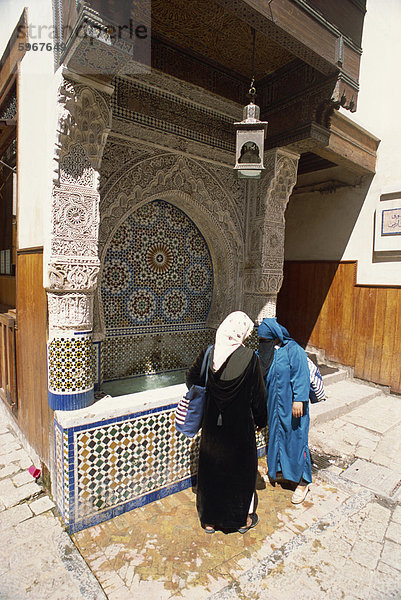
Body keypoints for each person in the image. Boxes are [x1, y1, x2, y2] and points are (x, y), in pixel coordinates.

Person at [186, 311, 267, 533]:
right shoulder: (250, 358)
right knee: (241, 470)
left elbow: (191, 379)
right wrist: (261, 420)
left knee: (212, 468)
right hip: (240, 427)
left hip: (213, 426)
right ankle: (242, 521)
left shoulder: (209, 353)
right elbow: (258, 396)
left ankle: (210, 521)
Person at [257, 317, 312, 504]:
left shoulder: (294, 350)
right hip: (274, 406)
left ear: (275, 336)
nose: (262, 343)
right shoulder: (269, 353)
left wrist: (300, 399)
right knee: (277, 437)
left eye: (265, 339)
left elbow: (301, 375)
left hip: (293, 405)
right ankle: (279, 472)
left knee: (296, 439)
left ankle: (303, 482)